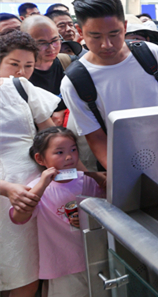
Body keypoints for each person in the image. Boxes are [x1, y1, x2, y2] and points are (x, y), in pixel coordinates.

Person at [60, 0, 158, 219]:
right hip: (129, 179)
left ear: (125, 26)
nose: (107, 44)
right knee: (144, 236)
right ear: (80, 32)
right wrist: (120, 177)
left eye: (114, 34)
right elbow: (96, 137)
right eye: (95, 36)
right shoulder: (75, 81)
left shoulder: (151, 55)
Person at [10, 127, 105, 297]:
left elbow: (107, 207)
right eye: (59, 152)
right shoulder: (37, 187)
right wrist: (42, 184)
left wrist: (96, 177)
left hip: (96, 259)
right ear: (40, 159)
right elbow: (18, 217)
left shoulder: (87, 180)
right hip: (62, 266)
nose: (69, 157)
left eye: (73, 150)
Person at [0, 30, 59, 297]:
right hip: (9, 189)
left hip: (31, 188)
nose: (20, 72)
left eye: (28, 65)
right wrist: (6, 189)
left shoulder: (22, 88)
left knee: (28, 271)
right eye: (13, 64)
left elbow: (51, 139)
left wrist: (85, 174)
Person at [21, 16, 71, 124]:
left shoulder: (70, 63)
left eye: (55, 40)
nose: (51, 48)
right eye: (42, 43)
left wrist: (66, 112)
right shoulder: (18, 75)